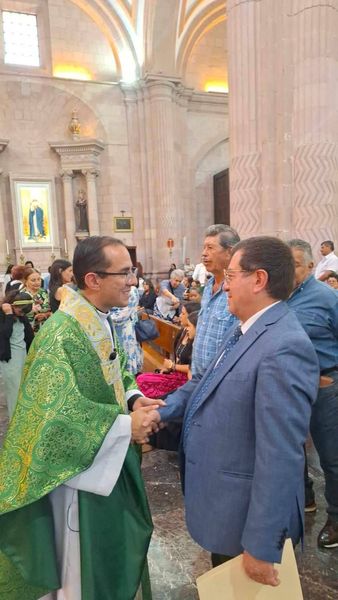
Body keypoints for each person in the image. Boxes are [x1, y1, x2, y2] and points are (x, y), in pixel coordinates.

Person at [0, 236, 162, 600]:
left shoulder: (95, 320)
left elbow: (115, 370)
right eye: (124, 273)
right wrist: (125, 427)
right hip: (76, 476)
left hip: (105, 460)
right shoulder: (61, 333)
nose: (132, 281)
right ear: (93, 280)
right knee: (80, 573)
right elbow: (55, 418)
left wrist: (134, 399)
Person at [153, 236, 319, 586]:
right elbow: (203, 382)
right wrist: (160, 411)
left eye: (230, 276)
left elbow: (281, 455)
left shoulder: (284, 346)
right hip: (225, 509)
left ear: (258, 280)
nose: (222, 285)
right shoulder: (247, 329)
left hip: (245, 520)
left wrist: (261, 544)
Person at [287, 239, 338, 549]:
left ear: (309, 266)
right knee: (293, 449)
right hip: (290, 385)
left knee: (331, 456)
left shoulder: (327, 297)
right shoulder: (278, 296)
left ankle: (336, 518)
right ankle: (305, 499)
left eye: (294, 263)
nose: (288, 269)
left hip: (325, 385)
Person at [190, 224, 240, 377]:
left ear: (229, 252)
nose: (204, 254)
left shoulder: (238, 289)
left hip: (221, 379)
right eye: (204, 248)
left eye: (210, 248)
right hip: (198, 377)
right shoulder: (208, 286)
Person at [137, 303, 200, 397]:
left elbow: (192, 367)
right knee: (141, 379)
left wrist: (172, 366)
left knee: (142, 381)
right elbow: (178, 357)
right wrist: (168, 368)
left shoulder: (196, 341)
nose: (180, 316)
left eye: (183, 314)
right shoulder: (183, 332)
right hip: (175, 373)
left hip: (183, 379)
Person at [0, 290, 34, 418]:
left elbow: (29, 337)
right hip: (9, 360)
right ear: (13, 305)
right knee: (14, 391)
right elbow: (5, 334)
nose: (23, 314)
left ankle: (23, 419)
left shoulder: (21, 317)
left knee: (23, 390)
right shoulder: (3, 315)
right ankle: (15, 421)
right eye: (21, 311)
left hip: (22, 356)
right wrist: (8, 315)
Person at [110, 284, 143, 375]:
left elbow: (122, 316)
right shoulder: (115, 288)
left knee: (127, 356)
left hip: (125, 330)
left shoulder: (132, 291)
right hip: (115, 330)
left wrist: (103, 315)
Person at [22, 267, 51, 333]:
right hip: (28, 332)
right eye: (33, 280)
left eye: (39, 279)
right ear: (26, 281)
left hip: (45, 330)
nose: (37, 282)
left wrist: (45, 315)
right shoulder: (22, 295)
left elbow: (52, 310)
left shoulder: (44, 292)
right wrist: (34, 316)